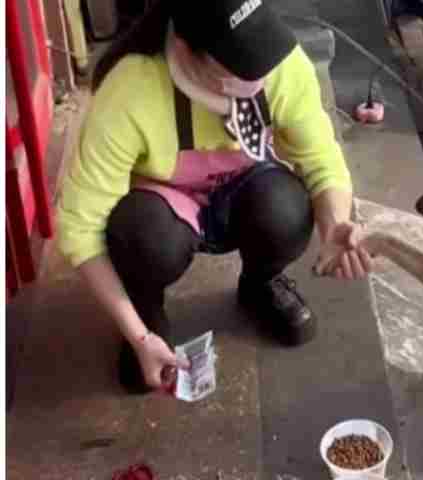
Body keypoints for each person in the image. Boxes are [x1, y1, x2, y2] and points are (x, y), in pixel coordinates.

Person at [56, 0, 373, 395]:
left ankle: (260, 283)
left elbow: (323, 162)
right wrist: (138, 336)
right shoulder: (131, 89)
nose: (259, 75)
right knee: (142, 236)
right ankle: (146, 313)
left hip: (246, 186)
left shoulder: (280, 63)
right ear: (187, 51)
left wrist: (335, 224)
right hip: (164, 207)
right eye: (239, 61)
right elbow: (79, 228)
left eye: (259, 49)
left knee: (287, 210)